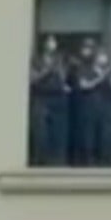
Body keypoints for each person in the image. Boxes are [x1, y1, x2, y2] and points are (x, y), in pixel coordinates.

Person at [71, 46, 111, 167]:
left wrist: (109, 78)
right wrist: (100, 78)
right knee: (89, 138)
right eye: (101, 55)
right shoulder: (85, 70)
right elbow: (84, 86)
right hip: (90, 110)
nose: (103, 58)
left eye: (105, 56)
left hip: (106, 110)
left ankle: (106, 163)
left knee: (106, 139)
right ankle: (89, 164)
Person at [28, 34, 70, 166]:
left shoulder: (59, 59)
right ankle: (41, 161)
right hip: (42, 98)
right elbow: (33, 79)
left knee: (59, 133)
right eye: (49, 41)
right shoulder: (37, 60)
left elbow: (63, 78)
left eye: (54, 41)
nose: (52, 44)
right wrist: (47, 70)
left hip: (58, 98)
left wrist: (63, 79)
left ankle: (58, 162)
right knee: (41, 134)